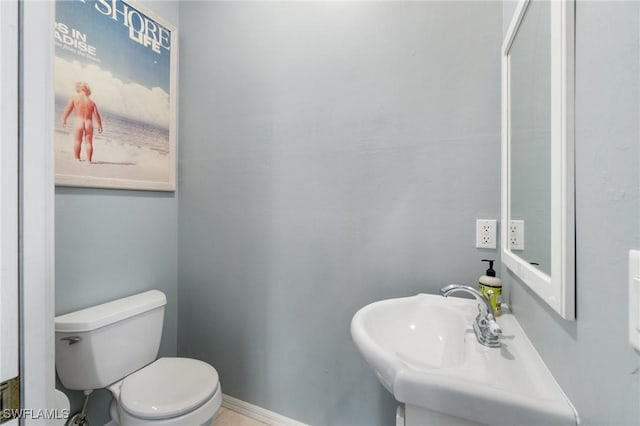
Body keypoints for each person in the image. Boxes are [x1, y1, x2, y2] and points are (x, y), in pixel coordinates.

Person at [61, 81, 103, 163]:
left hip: (78, 122)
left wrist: (64, 119)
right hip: (89, 123)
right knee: (89, 143)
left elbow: (68, 110)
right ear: (88, 90)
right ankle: (89, 160)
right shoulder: (92, 103)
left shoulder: (74, 98)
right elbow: (97, 115)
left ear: (78, 88)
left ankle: (77, 158)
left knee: (78, 141)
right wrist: (100, 126)